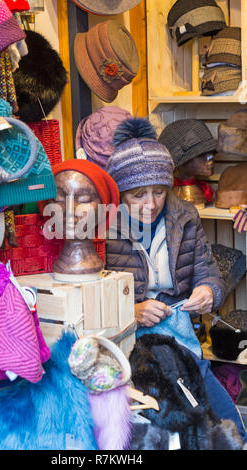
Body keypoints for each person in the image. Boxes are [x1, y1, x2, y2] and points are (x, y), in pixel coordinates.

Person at [105, 117, 247, 443]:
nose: (151, 204)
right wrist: (133, 310)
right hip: (129, 346)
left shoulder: (184, 215)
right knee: (161, 430)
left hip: (180, 337)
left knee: (229, 427)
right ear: (119, 192)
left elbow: (207, 271)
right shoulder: (104, 226)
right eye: (138, 194)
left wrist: (208, 291)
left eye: (159, 192)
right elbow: (92, 298)